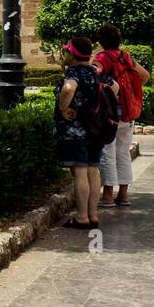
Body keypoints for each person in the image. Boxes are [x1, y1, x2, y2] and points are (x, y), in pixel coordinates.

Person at [55, 37, 110, 228]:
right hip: (96, 129)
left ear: (73, 54)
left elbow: (69, 88)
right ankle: (93, 215)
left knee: (80, 171)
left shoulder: (74, 72)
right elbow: (115, 88)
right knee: (93, 169)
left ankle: (81, 217)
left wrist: (63, 108)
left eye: (68, 51)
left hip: (76, 130)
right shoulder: (98, 71)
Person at [93, 24, 149, 209]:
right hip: (127, 111)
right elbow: (145, 76)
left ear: (100, 40)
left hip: (110, 112)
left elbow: (93, 78)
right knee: (123, 152)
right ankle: (123, 195)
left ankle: (108, 196)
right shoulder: (126, 56)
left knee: (107, 152)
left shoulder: (102, 58)